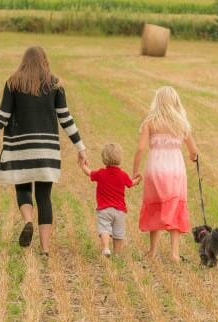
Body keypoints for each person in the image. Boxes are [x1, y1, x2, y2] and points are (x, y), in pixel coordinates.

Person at [0, 46, 87, 255]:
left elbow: (2, 115)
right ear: (45, 61)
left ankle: (28, 220)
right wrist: (80, 147)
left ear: (24, 61)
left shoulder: (13, 82)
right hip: (47, 150)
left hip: (20, 148)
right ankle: (45, 248)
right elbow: (65, 118)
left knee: (23, 189)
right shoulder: (55, 84)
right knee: (44, 197)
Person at [132, 86, 198, 263]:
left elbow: (140, 149)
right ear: (176, 102)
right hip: (176, 170)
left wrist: (135, 172)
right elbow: (193, 151)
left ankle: (152, 251)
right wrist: (193, 157)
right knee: (175, 208)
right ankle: (174, 254)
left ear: (157, 102)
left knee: (155, 207)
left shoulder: (150, 122)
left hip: (155, 170)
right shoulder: (181, 123)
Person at [80, 143, 141, 257]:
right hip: (120, 210)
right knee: (119, 233)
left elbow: (89, 173)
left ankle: (106, 248)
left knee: (104, 229)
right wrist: (137, 180)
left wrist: (83, 166)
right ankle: (117, 254)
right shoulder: (122, 175)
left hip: (104, 209)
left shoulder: (101, 173)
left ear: (104, 158)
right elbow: (131, 183)